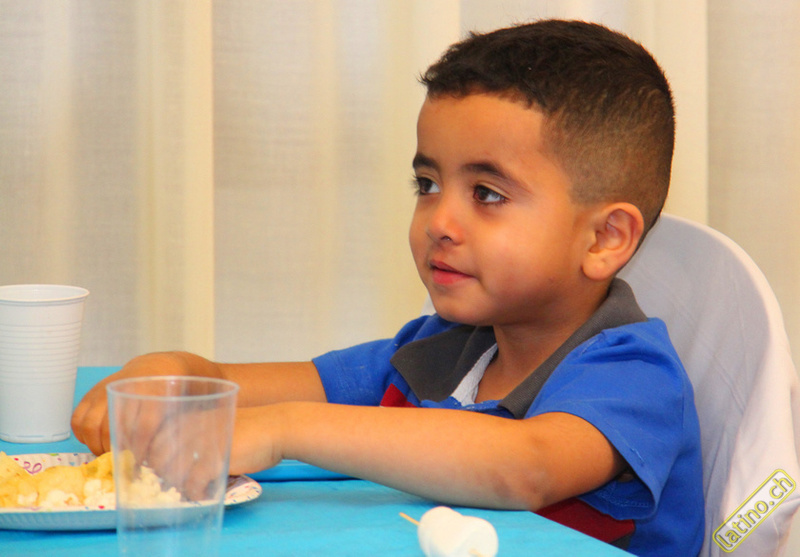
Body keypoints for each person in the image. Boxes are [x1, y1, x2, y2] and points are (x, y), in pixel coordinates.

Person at [72, 19, 703, 556]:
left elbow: (525, 466)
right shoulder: (442, 349)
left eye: (487, 194)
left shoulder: (633, 373)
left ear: (604, 239)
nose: (439, 222)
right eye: (428, 185)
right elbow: (228, 383)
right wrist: (168, 376)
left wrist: (283, 429)